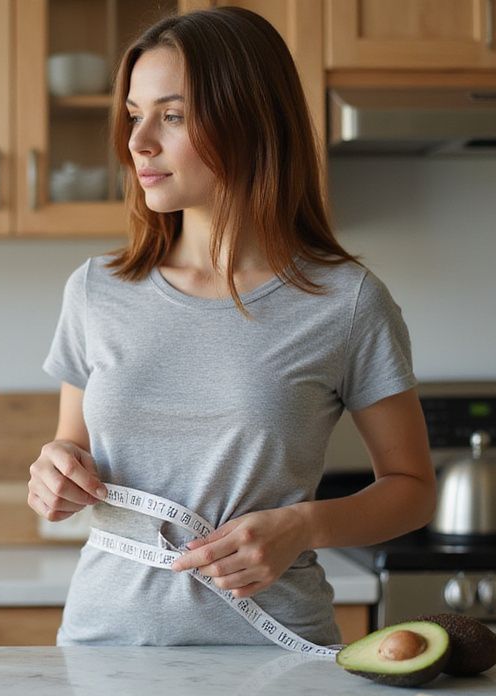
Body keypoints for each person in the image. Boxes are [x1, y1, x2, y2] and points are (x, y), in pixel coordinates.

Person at [29, 6, 436, 648]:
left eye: (173, 115)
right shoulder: (95, 291)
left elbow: (411, 492)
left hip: (269, 652)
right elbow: (70, 453)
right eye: (135, 115)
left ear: (248, 121)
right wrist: (54, 474)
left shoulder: (346, 302)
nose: (137, 142)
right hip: (103, 650)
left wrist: (302, 526)